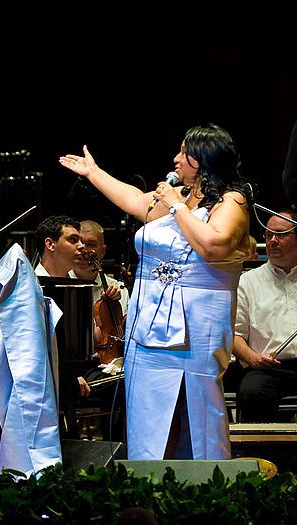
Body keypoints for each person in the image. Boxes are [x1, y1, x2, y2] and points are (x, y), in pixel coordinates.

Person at [60, 123, 254, 460]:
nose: (176, 159)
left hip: (196, 327)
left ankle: (201, 487)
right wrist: (94, 173)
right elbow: (134, 199)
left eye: (184, 152)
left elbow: (214, 245)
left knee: (193, 407)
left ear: (203, 158)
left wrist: (176, 207)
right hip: (148, 323)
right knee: (149, 412)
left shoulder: (231, 200)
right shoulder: (182, 197)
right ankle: (149, 485)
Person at [232, 209, 297, 421]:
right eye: (269, 235)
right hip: (265, 369)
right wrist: (252, 358)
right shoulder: (247, 282)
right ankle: (261, 454)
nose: (273, 241)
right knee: (252, 392)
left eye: (281, 234)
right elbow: (235, 335)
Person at [71, 220, 131, 440]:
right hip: (77, 368)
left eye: (91, 244)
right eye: (77, 242)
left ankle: (120, 448)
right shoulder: (61, 284)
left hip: (110, 364)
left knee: (132, 383)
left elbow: (125, 336)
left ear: (102, 251)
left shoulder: (117, 288)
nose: (84, 250)